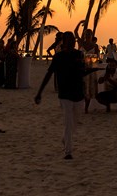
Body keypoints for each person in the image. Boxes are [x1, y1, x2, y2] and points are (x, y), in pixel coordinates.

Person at [35, 31, 92, 160]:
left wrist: (91, 70)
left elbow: (82, 72)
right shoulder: (58, 57)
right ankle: (68, 151)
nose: (73, 41)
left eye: (73, 39)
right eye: (70, 39)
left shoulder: (79, 54)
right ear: (65, 41)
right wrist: (39, 92)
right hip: (65, 94)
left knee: (75, 123)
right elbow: (49, 75)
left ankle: (65, 139)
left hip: (78, 93)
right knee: (68, 122)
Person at [74, 21, 100, 113]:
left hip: (91, 70)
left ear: (92, 35)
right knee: (82, 88)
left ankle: (86, 108)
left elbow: (97, 58)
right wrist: (80, 22)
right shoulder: (81, 42)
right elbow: (75, 32)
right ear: (84, 35)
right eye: (86, 33)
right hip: (82, 69)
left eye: (89, 33)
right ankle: (80, 106)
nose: (88, 35)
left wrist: (88, 59)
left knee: (90, 89)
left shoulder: (95, 46)